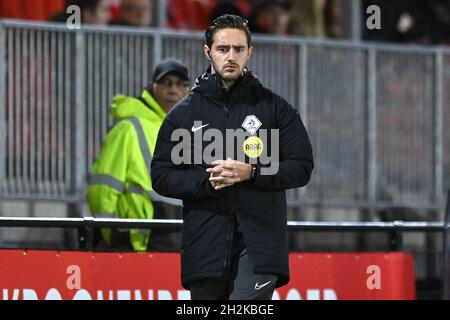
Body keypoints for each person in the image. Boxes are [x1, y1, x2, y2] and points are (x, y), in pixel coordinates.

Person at [151, 14, 313, 300]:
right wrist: (209, 179)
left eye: (239, 49)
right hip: (205, 251)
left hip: (260, 249)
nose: (231, 56)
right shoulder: (185, 115)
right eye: (223, 49)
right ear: (208, 52)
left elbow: (301, 167)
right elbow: (162, 175)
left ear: (249, 52)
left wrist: (251, 172)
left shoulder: (275, 109)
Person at [86, 59, 190, 252]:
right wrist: (112, 234)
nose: (173, 90)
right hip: (136, 241)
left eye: (180, 84)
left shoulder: (188, 131)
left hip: (179, 239)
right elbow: (102, 189)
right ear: (153, 87)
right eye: (166, 83)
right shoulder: (128, 128)